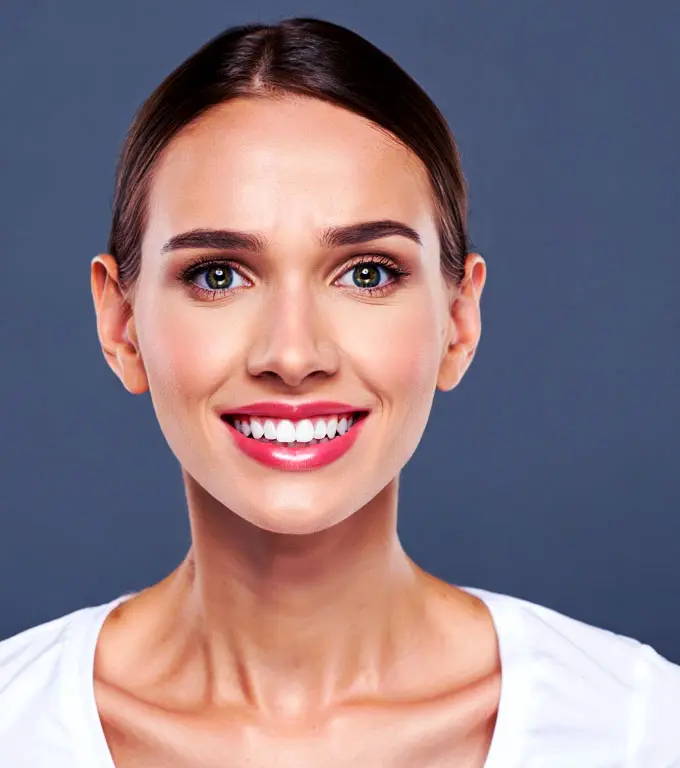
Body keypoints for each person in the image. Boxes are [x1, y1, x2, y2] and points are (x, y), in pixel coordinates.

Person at [0, 16, 678, 767]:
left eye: (368, 273)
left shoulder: (638, 727)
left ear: (459, 319)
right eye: (218, 275)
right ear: (121, 323)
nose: (293, 355)